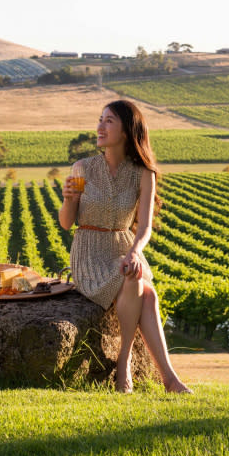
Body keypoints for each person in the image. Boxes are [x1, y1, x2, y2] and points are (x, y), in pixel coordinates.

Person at [59, 100, 191, 394]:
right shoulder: (82, 168)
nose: (100, 127)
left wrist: (134, 251)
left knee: (142, 284)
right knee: (139, 284)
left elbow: (143, 227)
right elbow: (67, 223)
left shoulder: (144, 173)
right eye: (100, 120)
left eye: (109, 121)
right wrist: (68, 199)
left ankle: (164, 378)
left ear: (126, 130)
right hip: (89, 252)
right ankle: (129, 365)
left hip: (123, 245)